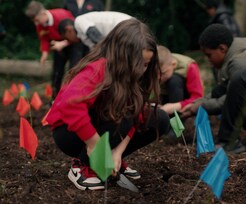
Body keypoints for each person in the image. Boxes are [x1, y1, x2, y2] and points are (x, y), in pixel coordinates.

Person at [45, 19, 170, 190]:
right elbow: (70, 105)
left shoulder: (137, 77)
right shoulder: (98, 69)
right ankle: (82, 165)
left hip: (105, 126)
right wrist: (95, 145)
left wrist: (117, 152)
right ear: (121, 55)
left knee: (159, 118)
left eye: (146, 64)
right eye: (138, 63)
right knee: (121, 110)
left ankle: (110, 159)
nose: (142, 69)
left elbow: (136, 116)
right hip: (70, 133)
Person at [181, 24, 246, 153]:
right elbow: (221, 91)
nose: (208, 60)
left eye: (209, 55)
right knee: (223, 89)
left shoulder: (239, 61)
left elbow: (233, 98)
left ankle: (229, 142)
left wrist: (202, 107)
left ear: (222, 48)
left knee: (240, 80)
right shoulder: (230, 59)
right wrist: (195, 104)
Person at [25, 1, 81, 100]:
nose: (36, 23)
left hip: (73, 44)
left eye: (37, 20)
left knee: (73, 70)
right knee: (56, 73)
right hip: (57, 47)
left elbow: (76, 33)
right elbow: (44, 39)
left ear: (43, 13)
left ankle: (72, 97)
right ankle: (54, 99)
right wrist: (44, 54)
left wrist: (64, 43)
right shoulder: (39, 25)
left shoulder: (61, 15)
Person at [157, 45, 204, 115]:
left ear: (173, 65)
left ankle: (175, 116)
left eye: (162, 73)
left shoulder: (190, 66)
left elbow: (198, 97)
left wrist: (176, 106)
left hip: (183, 100)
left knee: (174, 81)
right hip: (164, 99)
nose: (158, 78)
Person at [57, 11, 134, 50]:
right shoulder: (83, 36)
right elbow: (95, 50)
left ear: (68, 29)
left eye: (66, 38)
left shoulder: (79, 21)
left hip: (126, 26)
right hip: (127, 27)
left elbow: (95, 36)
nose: (69, 41)